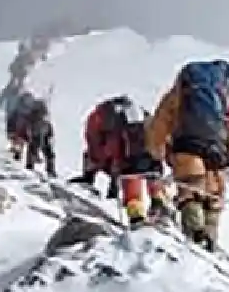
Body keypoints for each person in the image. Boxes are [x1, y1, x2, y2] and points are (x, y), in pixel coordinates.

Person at [147, 59, 229, 250]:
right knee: (213, 197)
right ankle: (209, 239)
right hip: (218, 151)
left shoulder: (178, 92)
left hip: (186, 146)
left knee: (190, 192)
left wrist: (157, 152)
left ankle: (195, 234)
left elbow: (159, 124)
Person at [69, 95, 170, 227]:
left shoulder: (101, 117)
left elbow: (98, 149)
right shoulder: (140, 114)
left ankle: (136, 216)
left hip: (125, 161)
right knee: (151, 175)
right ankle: (159, 204)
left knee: (131, 182)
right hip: (151, 156)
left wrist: (112, 173)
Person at [4, 90, 56, 174]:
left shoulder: (29, 112)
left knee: (39, 148)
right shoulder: (24, 114)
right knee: (38, 148)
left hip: (39, 130)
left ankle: (35, 166)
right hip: (37, 130)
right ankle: (36, 166)